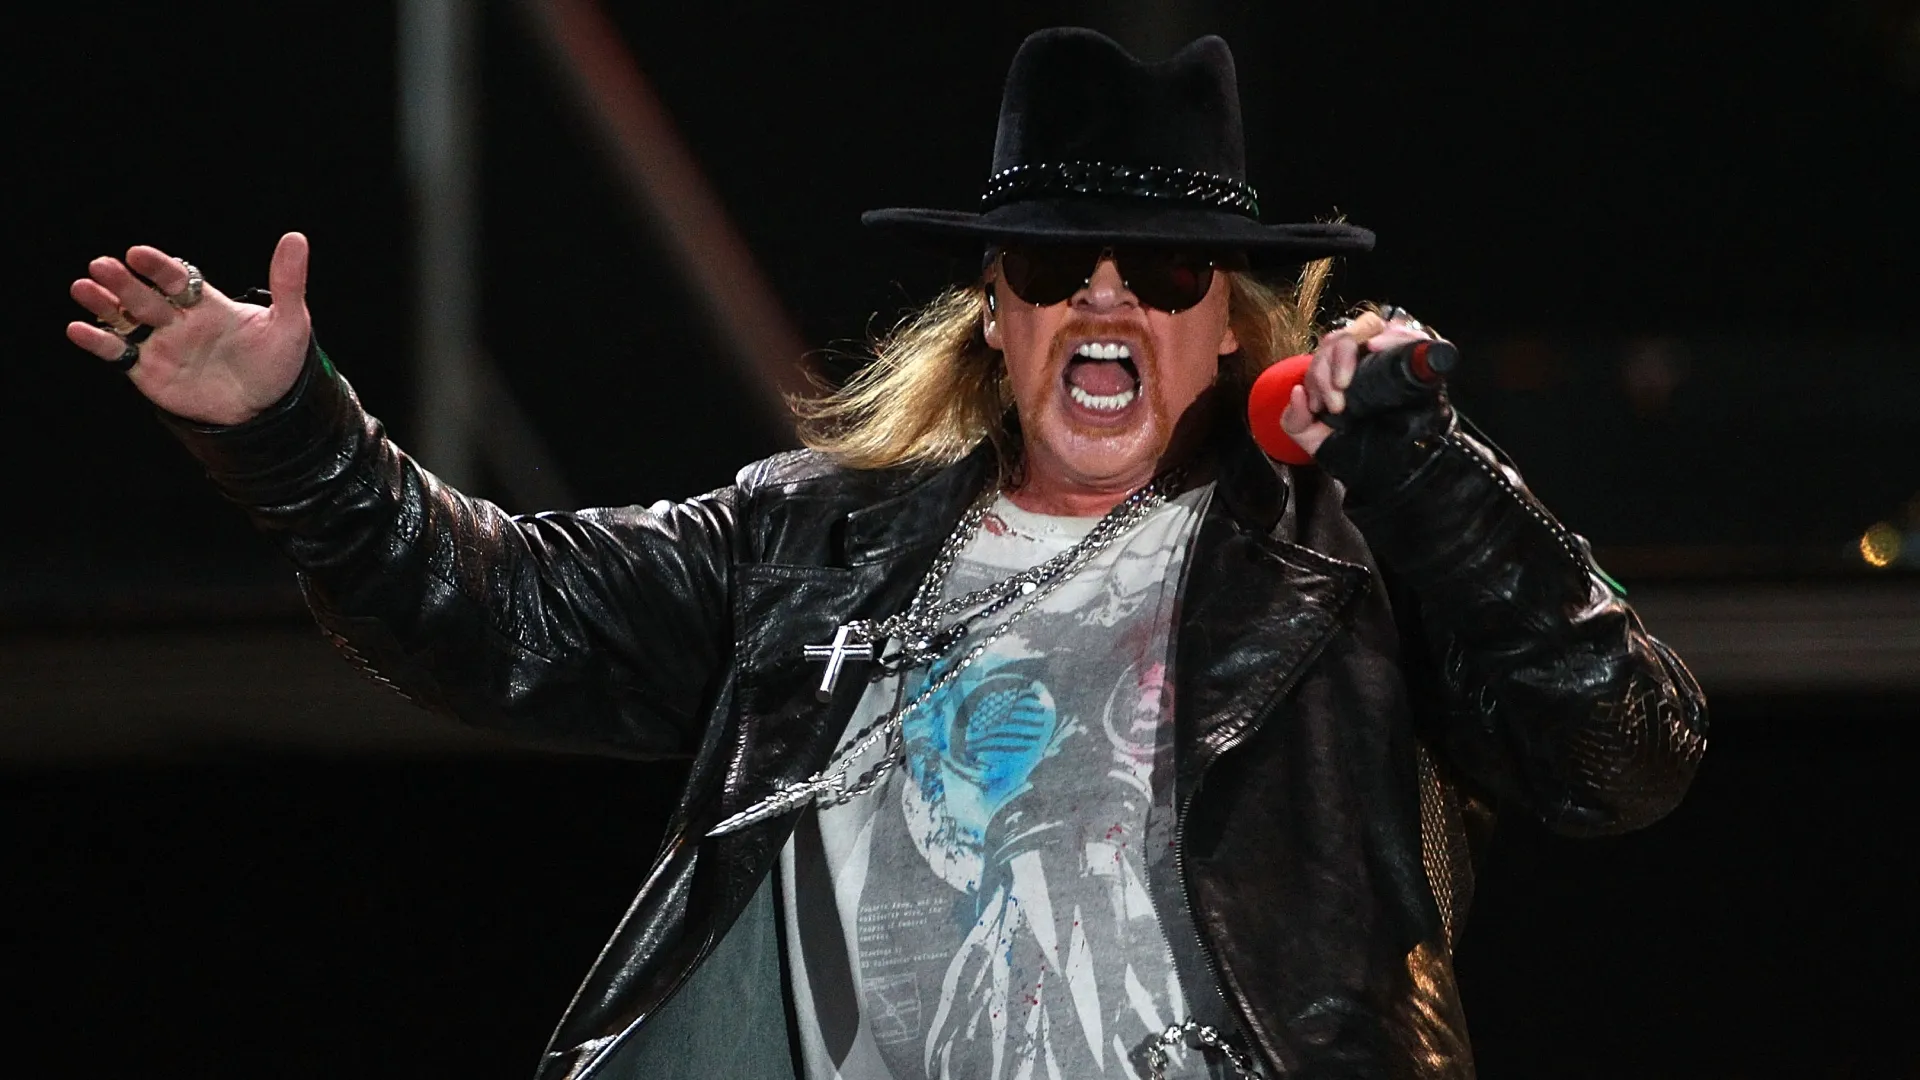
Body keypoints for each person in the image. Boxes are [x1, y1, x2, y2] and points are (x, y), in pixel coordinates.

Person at [64, 27, 1704, 1080]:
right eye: (1060, 267)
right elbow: (496, 613)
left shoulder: (1347, 564)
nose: (1111, 300)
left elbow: (1622, 752)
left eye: (1169, 269)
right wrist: (293, 431)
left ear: (1236, 321)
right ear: (995, 313)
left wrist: (1427, 473)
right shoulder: (812, 539)